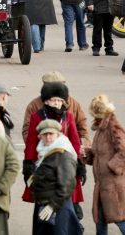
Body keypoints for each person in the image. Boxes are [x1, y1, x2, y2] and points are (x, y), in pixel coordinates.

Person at [23, 82, 85, 219]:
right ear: (46, 100)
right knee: (44, 195)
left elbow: (74, 140)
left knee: (66, 192)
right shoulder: (37, 117)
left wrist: (80, 163)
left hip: (65, 161)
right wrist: (28, 163)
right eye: (53, 100)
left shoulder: (68, 116)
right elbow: (31, 142)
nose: (57, 103)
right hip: (44, 163)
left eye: (59, 100)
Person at [85, 95, 125, 235]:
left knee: (120, 219)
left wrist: (110, 167)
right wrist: (87, 155)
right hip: (103, 185)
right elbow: (100, 153)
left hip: (113, 185)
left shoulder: (113, 127)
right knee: (100, 220)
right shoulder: (103, 127)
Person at [29, 119, 83, 235]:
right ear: (40, 136)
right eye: (45, 134)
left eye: (51, 134)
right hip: (44, 205)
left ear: (58, 135)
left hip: (58, 207)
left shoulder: (63, 154)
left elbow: (67, 185)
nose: (48, 137)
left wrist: (52, 206)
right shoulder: (45, 151)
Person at [22, 72, 90, 149]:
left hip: (67, 152)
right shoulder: (34, 105)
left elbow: (82, 129)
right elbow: (27, 131)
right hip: (43, 150)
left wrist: (83, 148)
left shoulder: (74, 104)